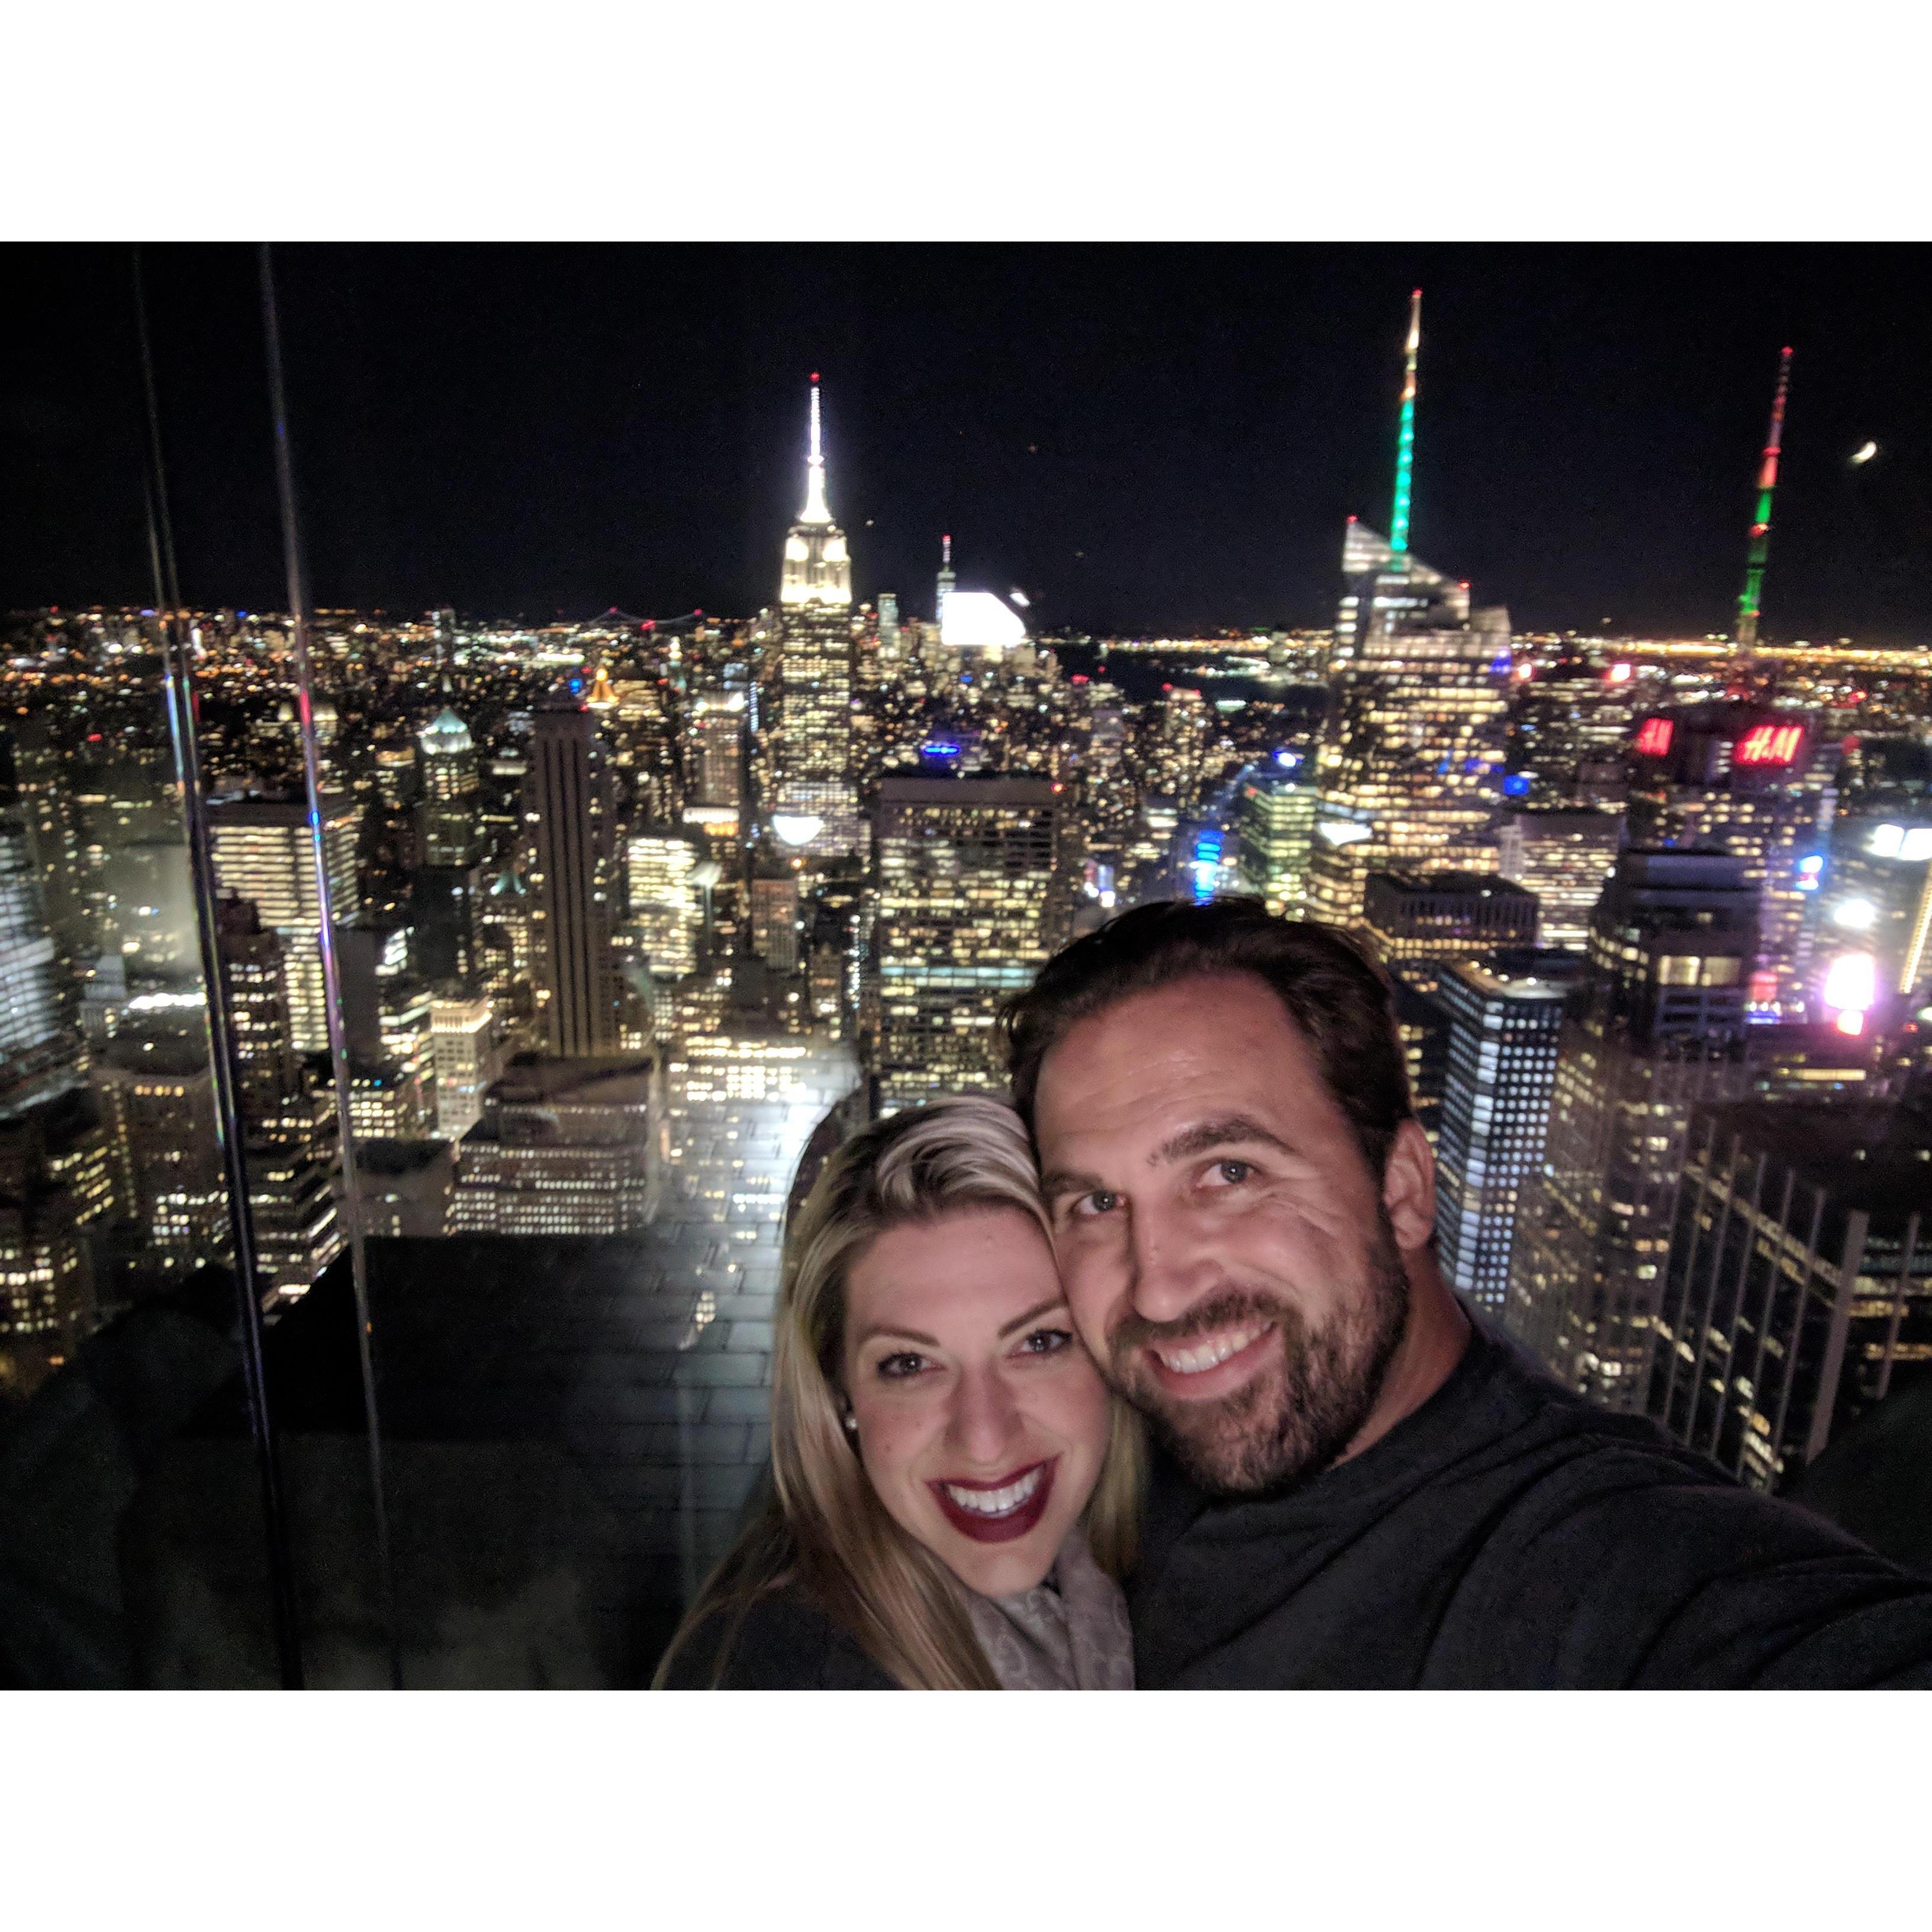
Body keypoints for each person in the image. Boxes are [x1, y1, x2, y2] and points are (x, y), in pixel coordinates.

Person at [1003, 897, 1932, 1688]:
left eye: (1229, 1172)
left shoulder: (1614, 1578)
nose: (1159, 1290)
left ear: (1403, 1189)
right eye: (1094, 1200)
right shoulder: (1071, 1448)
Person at [654, 1096, 1141, 1689]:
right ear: (840, 1393)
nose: (985, 1438)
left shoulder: (1164, 1562)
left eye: (1039, 1343)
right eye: (910, 1364)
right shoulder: (786, 1672)